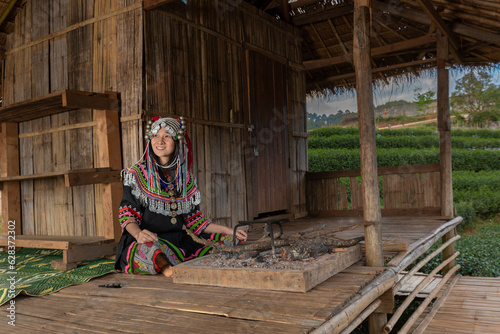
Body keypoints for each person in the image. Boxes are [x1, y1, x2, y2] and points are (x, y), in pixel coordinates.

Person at [114, 116, 247, 277]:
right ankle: (166, 268)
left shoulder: (185, 179)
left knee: (222, 246)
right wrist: (138, 234)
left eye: (167, 136)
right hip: (143, 240)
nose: (160, 141)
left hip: (175, 241)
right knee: (149, 249)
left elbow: (196, 222)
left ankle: (174, 261)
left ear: (178, 141)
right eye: (156, 136)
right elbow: (127, 215)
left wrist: (229, 230)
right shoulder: (136, 174)